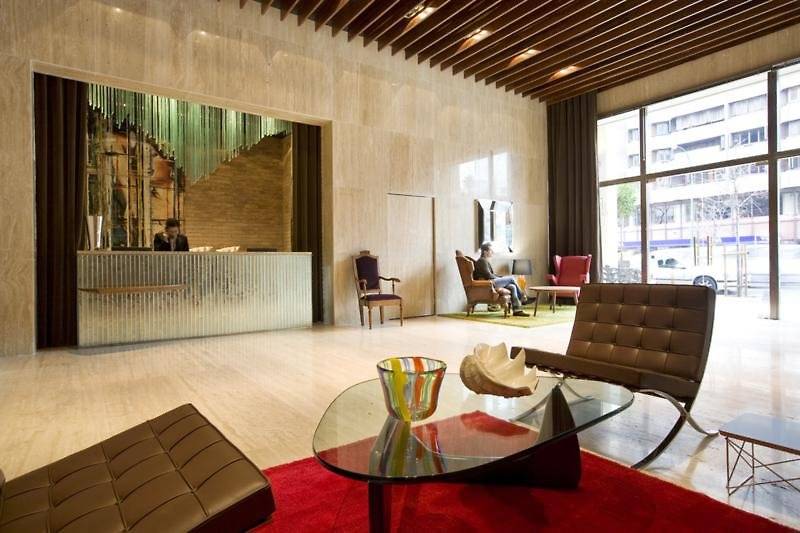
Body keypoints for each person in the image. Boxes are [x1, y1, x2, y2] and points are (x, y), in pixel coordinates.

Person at [474, 242, 530, 317]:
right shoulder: (482, 261)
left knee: (512, 286)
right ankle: (523, 297)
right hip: (488, 284)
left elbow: (491, 274)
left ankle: (517, 310)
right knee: (511, 278)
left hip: (491, 282)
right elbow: (489, 275)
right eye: (491, 250)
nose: (492, 252)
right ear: (485, 252)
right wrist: (501, 278)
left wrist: (501, 278)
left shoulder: (484, 261)